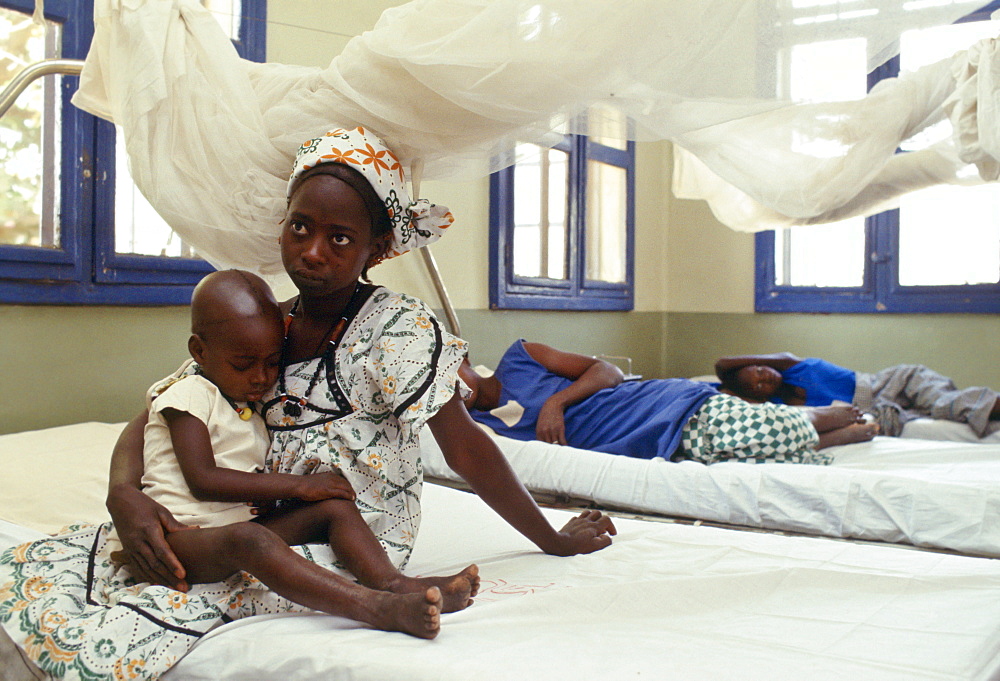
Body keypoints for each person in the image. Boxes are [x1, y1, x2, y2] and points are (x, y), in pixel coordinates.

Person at [0, 128, 616, 681]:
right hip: (252, 519)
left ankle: (388, 597)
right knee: (129, 559)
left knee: (205, 569)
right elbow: (161, 410)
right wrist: (123, 494)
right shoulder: (263, 326)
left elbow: (467, 448)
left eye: (339, 238)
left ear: (376, 250)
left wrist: (551, 539)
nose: (313, 252)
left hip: (351, 534)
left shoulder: (396, 330)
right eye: (301, 227)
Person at [111, 267, 475, 640]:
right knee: (251, 542)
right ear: (199, 351)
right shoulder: (188, 395)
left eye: (272, 362)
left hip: (235, 530)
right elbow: (203, 480)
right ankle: (376, 608)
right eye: (243, 364)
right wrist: (297, 488)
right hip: (181, 539)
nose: (260, 377)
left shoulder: (245, 403)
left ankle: (394, 583)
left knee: (334, 509)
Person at [459, 340, 879, 467]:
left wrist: (556, 403)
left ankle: (823, 415)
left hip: (660, 407)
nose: (451, 387)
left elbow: (609, 371)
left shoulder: (520, 358)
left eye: (450, 373)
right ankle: (844, 434)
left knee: (755, 429)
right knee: (741, 454)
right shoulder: (474, 422)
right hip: (648, 442)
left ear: (461, 358)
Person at [715, 352, 1000, 437]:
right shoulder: (777, 405)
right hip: (877, 411)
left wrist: (740, 370)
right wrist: (739, 390)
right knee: (939, 418)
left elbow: (721, 365)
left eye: (761, 370)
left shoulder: (791, 367)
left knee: (944, 402)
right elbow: (727, 397)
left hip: (889, 384)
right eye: (758, 385)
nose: (765, 378)